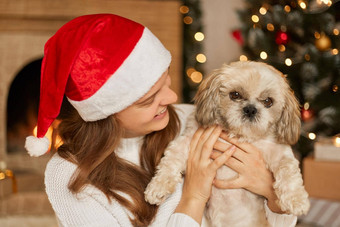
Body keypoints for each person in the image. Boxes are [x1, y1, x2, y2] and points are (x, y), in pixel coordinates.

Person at [25, 14, 297, 226]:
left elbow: (273, 217)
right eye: (148, 99)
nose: (172, 96)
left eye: (166, 82)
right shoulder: (68, 177)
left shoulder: (193, 119)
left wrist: (270, 191)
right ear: (105, 114)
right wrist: (194, 195)